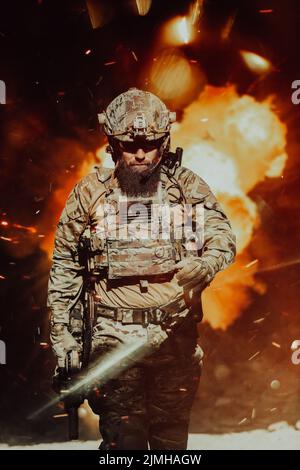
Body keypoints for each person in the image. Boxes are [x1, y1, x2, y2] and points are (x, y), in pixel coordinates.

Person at [48, 87, 236, 450]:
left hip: (173, 334)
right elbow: (65, 267)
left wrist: (207, 263)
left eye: (149, 143)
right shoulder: (91, 193)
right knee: (125, 442)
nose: (139, 152)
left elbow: (222, 235)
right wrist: (63, 339)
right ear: (112, 143)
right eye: (130, 144)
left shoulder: (186, 187)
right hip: (111, 337)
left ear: (164, 142)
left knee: (171, 443)